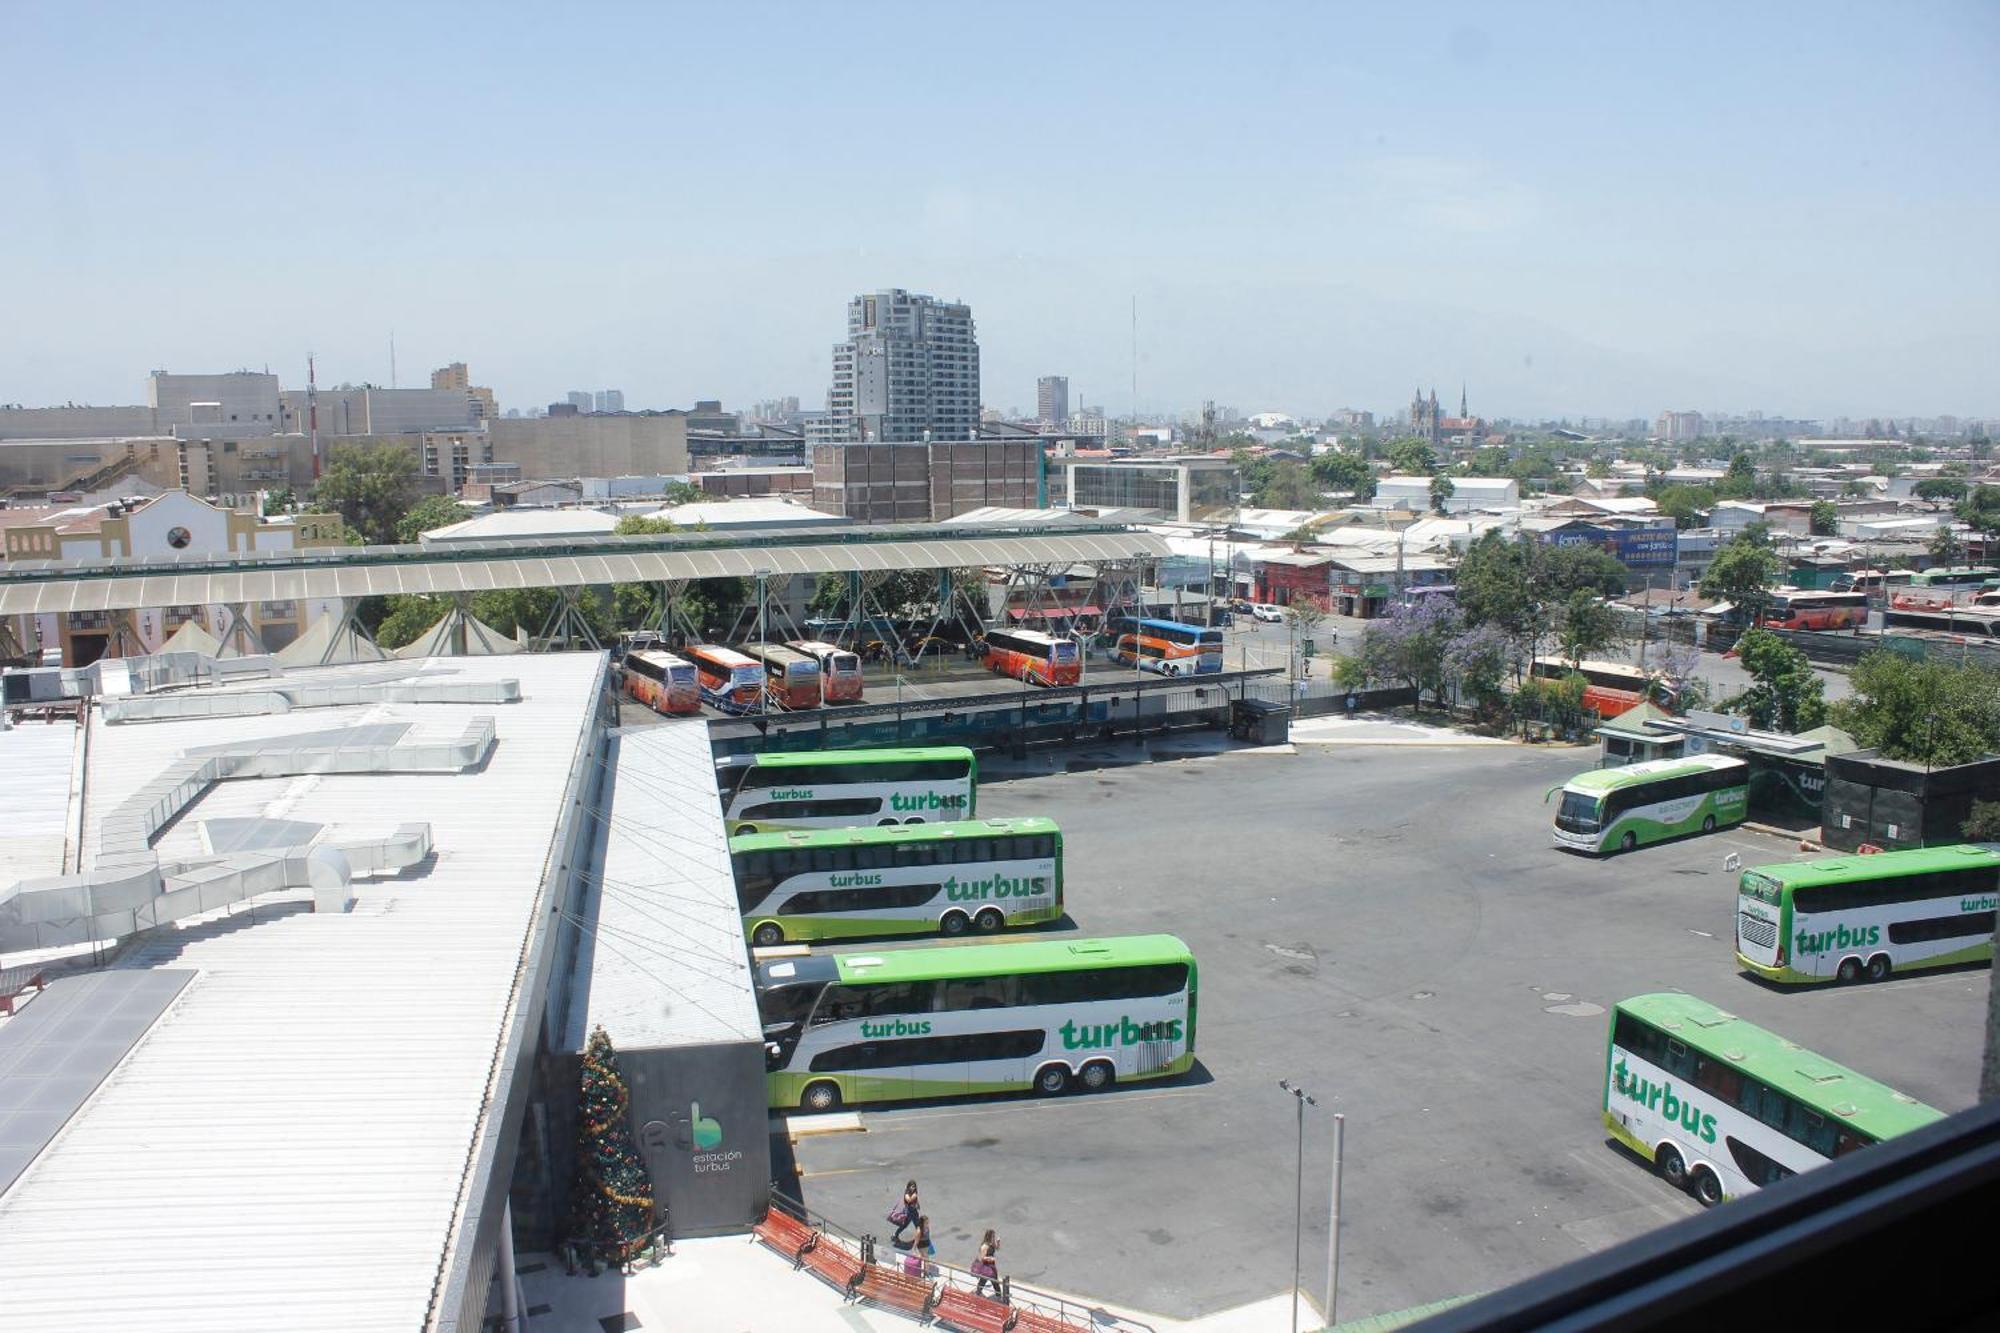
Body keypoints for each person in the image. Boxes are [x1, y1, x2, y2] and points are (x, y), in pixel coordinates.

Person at [971, 1228, 1001, 1298]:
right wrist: (990, 1258)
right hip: (986, 1266)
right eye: (993, 1236)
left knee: (993, 1281)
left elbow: (997, 1248)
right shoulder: (984, 1246)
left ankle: (998, 1295)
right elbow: (982, 1258)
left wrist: (998, 1242)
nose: (994, 1237)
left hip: (991, 1265)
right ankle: (998, 1295)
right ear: (989, 1236)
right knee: (986, 1280)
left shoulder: (992, 1243)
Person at [889, 1179, 920, 1243]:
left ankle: (895, 1235)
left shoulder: (914, 1192)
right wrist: (913, 1197)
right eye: (912, 1186)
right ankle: (895, 1235)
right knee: (910, 1225)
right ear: (909, 1186)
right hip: (910, 1212)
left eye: (914, 1186)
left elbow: (916, 1200)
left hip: (914, 1211)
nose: (913, 1188)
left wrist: (918, 1204)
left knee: (914, 1225)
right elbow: (908, 1200)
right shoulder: (907, 1193)